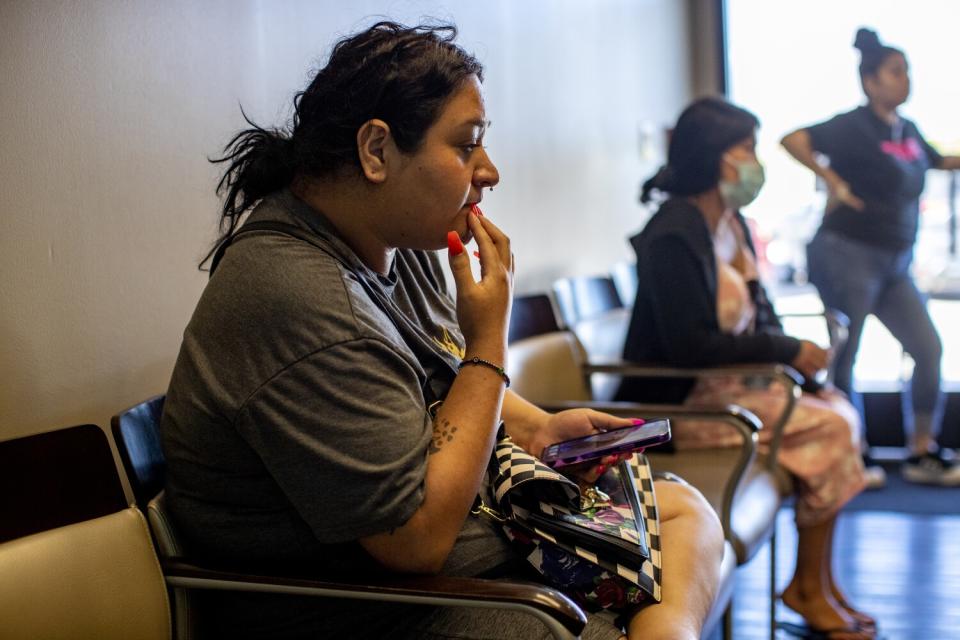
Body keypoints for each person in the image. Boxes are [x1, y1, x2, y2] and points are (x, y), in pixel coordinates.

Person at [160, 21, 723, 640]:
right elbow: (418, 540)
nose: (489, 172)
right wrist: (490, 340)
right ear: (376, 151)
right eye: (467, 145)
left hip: (469, 546)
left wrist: (536, 426)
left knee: (687, 512)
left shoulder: (397, 246)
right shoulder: (299, 300)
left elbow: (442, 370)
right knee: (655, 561)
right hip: (370, 605)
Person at [618, 97, 874, 639]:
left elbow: (761, 318)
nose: (755, 162)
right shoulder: (672, 232)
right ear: (715, 157)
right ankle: (806, 588)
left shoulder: (729, 223)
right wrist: (786, 353)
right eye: (747, 148)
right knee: (832, 428)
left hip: (724, 393)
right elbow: (688, 346)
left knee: (837, 410)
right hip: (674, 405)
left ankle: (817, 582)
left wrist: (804, 370)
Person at [781, 28, 960, 487]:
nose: (906, 80)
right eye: (896, 73)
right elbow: (794, 139)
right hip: (847, 252)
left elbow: (939, 161)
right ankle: (851, 455)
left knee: (928, 348)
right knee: (848, 353)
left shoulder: (908, 130)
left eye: (907, 72)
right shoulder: (851, 126)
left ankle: (922, 451)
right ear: (871, 82)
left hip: (896, 261)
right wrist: (832, 182)